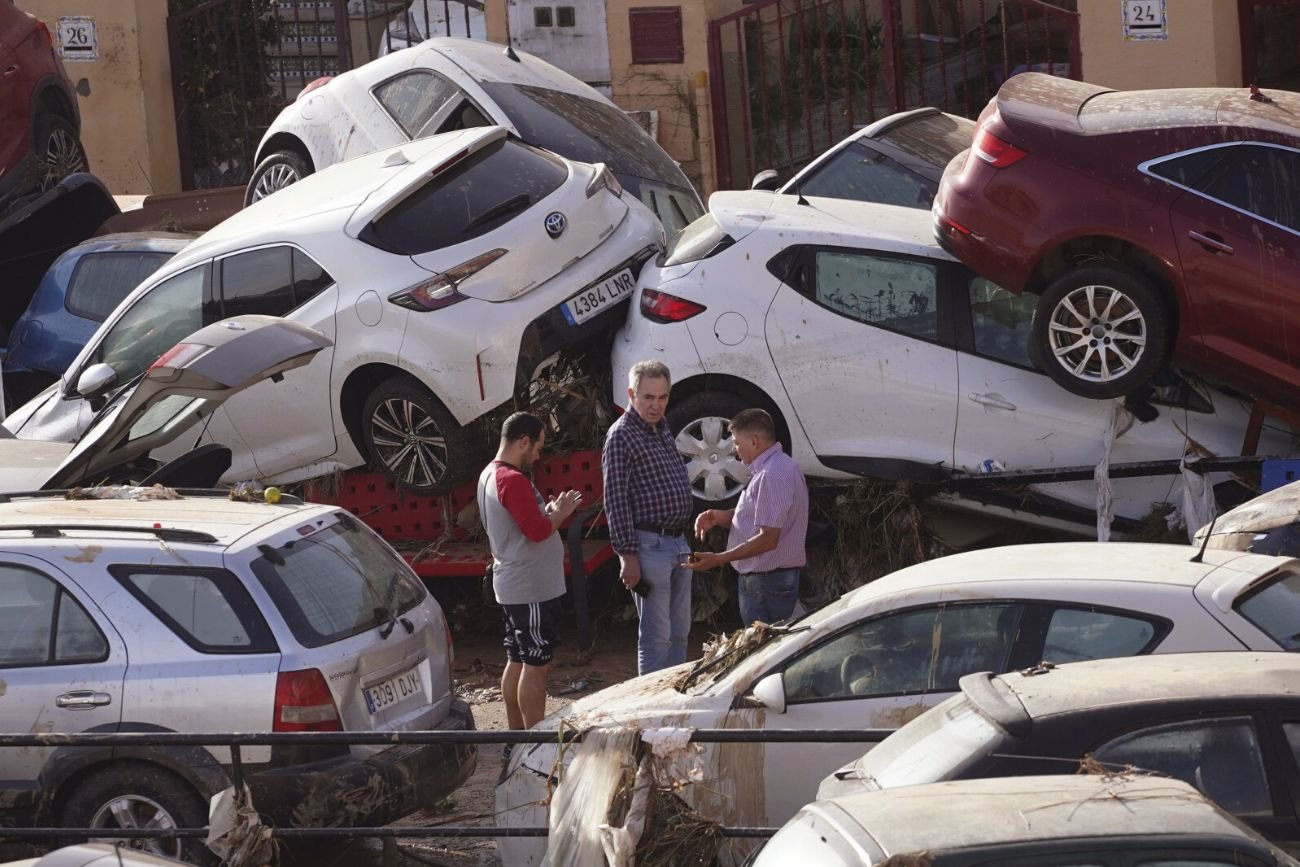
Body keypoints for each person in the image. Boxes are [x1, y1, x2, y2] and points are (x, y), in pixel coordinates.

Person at [478, 412, 582, 730]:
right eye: (537, 447)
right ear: (523, 442)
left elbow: (525, 522)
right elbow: (536, 532)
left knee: (518, 658)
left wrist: (548, 511)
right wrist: (561, 514)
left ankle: (516, 735)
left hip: (515, 583)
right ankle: (535, 739)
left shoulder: (490, 475)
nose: (538, 455)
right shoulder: (512, 479)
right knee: (537, 663)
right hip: (530, 587)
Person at [602, 359, 694, 675]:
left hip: (678, 542)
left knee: (680, 631)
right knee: (657, 637)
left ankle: (675, 701)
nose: (656, 405)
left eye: (663, 397)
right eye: (649, 397)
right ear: (631, 395)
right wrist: (627, 555)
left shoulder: (662, 428)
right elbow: (615, 499)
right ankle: (652, 713)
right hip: (648, 545)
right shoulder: (621, 435)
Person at [688, 408, 809, 626]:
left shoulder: (772, 474)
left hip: (767, 584)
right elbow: (761, 516)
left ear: (754, 441)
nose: (734, 449)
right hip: (768, 582)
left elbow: (768, 538)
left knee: (768, 651)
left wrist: (719, 559)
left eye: (736, 442)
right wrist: (720, 517)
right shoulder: (776, 468)